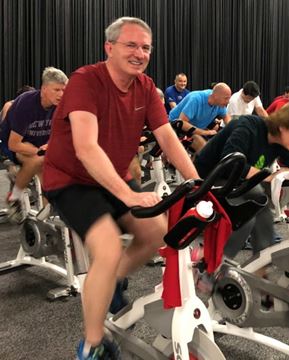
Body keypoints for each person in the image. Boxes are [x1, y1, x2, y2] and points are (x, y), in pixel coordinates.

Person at [41, 17, 198, 360]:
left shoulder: (145, 86)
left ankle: (107, 282)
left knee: (156, 230)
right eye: (131, 45)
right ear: (109, 48)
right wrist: (128, 194)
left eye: (145, 47)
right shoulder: (86, 80)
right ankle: (92, 343)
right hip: (71, 178)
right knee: (108, 248)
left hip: (109, 174)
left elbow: (167, 137)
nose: (139, 53)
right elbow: (85, 148)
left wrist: (195, 180)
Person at [194, 103, 289, 257]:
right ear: (283, 126)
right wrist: (270, 176)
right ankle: (210, 266)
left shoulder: (282, 140)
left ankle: (261, 266)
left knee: (261, 205)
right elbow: (230, 163)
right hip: (209, 178)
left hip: (236, 182)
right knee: (244, 218)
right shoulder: (248, 126)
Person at [0, 68, 67, 223]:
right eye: (56, 90)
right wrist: (41, 151)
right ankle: (16, 196)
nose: (61, 94)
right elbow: (14, 144)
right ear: (44, 89)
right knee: (40, 162)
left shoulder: (61, 105)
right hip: (14, 146)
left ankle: (49, 215)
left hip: (40, 146)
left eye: (63, 90)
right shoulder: (25, 104)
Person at [168, 83, 232, 152]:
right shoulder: (196, 99)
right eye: (226, 98)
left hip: (194, 127)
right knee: (204, 148)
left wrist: (232, 130)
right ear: (216, 96)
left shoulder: (219, 103)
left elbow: (226, 117)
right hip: (177, 126)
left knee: (217, 146)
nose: (228, 102)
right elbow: (182, 123)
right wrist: (205, 132)